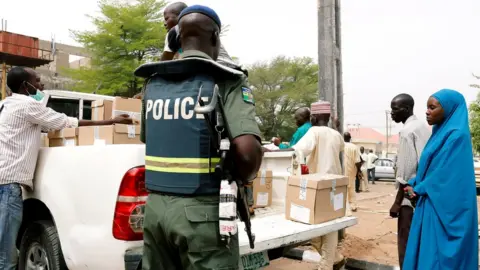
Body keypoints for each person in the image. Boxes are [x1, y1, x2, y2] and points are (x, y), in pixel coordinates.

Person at [139, 6, 263, 270]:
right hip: (202, 217)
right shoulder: (227, 81)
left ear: (177, 39)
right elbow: (248, 154)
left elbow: (147, 138)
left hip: (154, 212)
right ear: (216, 38)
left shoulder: (153, 84)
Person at [0, 66, 133, 269]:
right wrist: (110, 121)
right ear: (25, 86)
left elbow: (45, 126)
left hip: (4, 182)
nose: (41, 84)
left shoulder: (6, 105)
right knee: (6, 255)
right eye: (36, 80)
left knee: (4, 245)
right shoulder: (27, 106)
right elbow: (63, 122)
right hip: (8, 188)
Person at [403, 89, 478, 270]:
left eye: (432, 107)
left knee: (436, 259)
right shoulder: (438, 134)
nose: (427, 112)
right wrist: (415, 183)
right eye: (426, 107)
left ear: (450, 109)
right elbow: (430, 169)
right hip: (430, 203)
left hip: (443, 209)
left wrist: (419, 188)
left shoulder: (457, 136)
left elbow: (447, 175)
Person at [274, 100, 345, 269]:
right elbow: (340, 148)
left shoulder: (314, 132)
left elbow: (298, 149)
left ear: (315, 117)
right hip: (335, 185)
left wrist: (274, 150)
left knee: (321, 230)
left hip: (319, 186)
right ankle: (335, 259)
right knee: (328, 227)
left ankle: (326, 266)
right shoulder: (336, 134)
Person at [388, 93, 431, 269]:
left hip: (408, 198)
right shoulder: (422, 127)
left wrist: (397, 203)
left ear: (406, 109)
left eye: (395, 109)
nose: (392, 113)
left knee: (405, 243)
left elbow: (405, 174)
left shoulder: (407, 131)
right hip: (422, 194)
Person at [160, 2, 239, 71]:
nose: (164, 23)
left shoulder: (175, 31)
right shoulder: (205, 30)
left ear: (181, 15)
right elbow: (180, 51)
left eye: (167, 19)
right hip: (230, 68)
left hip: (212, 69)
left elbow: (165, 61)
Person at [343, 132, 361, 213]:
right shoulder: (354, 147)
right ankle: (353, 206)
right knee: (351, 188)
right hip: (351, 170)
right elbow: (357, 161)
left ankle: (344, 206)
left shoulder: (340, 145)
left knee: (343, 187)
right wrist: (359, 171)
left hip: (342, 170)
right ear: (350, 138)